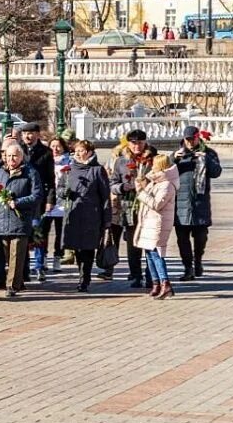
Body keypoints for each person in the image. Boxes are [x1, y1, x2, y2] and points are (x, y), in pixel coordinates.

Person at [0, 143, 43, 298]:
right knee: (6, 255)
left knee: (16, 255)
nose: (11, 159)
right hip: (1, 221)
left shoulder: (30, 172)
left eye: (15, 156)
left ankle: (12, 286)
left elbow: (37, 196)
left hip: (20, 221)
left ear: (21, 157)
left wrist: (18, 202)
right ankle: (18, 281)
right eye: (8, 156)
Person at [109, 128, 158, 288]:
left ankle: (152, 275)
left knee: (151, 243)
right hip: (129, 207)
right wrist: (123, 187)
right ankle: (136, 275)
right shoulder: (121, 161)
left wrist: (149, 185)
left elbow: (164, 179)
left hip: (149, 206)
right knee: (133, 244)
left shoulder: (154, 159)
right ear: (128, 143)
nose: (137, 145)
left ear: (145, 142)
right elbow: (113, 183)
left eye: (140, 142)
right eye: (133, 142)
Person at [172, 125, 223, 280]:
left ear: (197, 137)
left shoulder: (209, 153)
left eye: (192, 139)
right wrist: (173, 158)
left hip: (200, 203)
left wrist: (205, 159)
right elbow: (164, 171)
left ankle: (198, 260)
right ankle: (188, 268)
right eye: (187, 140)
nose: (189, 143)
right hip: (181, 202)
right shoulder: (178, 154)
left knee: (201, 237)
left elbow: (216, 173)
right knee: (182, 239)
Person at [62, 139, 111, 292]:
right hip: (74, 214)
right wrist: (65, 193)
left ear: (89, 152)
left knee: (88, 248)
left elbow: (105, 196)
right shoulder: (69, 169)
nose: (78, 153)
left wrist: (106, 219)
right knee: (77, 248)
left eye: (82, 150)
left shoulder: (97, 170)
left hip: (91, 216)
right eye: (77, 150)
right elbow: (60, 189)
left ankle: (85, 279)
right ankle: (81, 274)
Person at [134, 154, 180, 299]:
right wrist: (141, 186)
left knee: (156, 253)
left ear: (160, 166)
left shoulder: (167, 184)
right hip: (149, 222)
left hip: (158, 223)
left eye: (154, 164)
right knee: (148, 253)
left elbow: (157, 204)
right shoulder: (156, 182)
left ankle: (165, 283)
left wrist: (141, 193)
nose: (152, 166)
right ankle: (156, 283)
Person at [19, 121, 55, 281]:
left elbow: (50, 179)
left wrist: (50, 199)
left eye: (31, 133)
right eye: (25, 133)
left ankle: (39, 266)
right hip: (20, 197)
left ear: (37, 134)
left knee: (38, 233)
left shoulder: (46, 152)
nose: (28, 136)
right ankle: (23, 267)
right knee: (22, 235)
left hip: (38, 199)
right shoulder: (18, 150)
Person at [37, 136, 71, 275]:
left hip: (62, 201)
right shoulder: (45, 159)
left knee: (60, 232)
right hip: (47, 199)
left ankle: (57, 257)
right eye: (53, 146)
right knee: (43, 230)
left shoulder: (69, 161)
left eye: (58, 146)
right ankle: (43, 257)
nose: (55, 149)